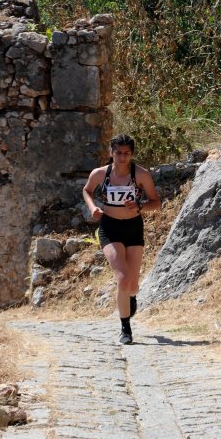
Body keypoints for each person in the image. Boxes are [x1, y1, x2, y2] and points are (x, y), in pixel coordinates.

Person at [82, 134, 161, 344]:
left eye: (126, 153)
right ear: (111, 153)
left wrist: (140, 206)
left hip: (134, 228)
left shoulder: (141, 175)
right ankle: (126, 329)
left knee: (133, 285)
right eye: (118, 153)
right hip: (110, 228)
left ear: (132, 154)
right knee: (123, 278)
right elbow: (87, 190)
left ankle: (131, 297)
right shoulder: (100, 174)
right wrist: (92, 208)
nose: (122, 157)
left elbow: (156, 202)